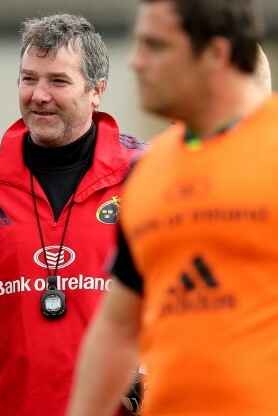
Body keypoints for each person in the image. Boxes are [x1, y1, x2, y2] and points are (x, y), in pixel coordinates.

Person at [0, 13, 146, 416]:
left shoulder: (145, 181)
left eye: (58, 81)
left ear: (97, 91)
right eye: (29, 79)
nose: (39, 95)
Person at [68, 0, 276, 415]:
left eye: (156, 46)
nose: (135, 61)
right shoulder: (150, 171)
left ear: (215, 54)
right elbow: (119, 326)